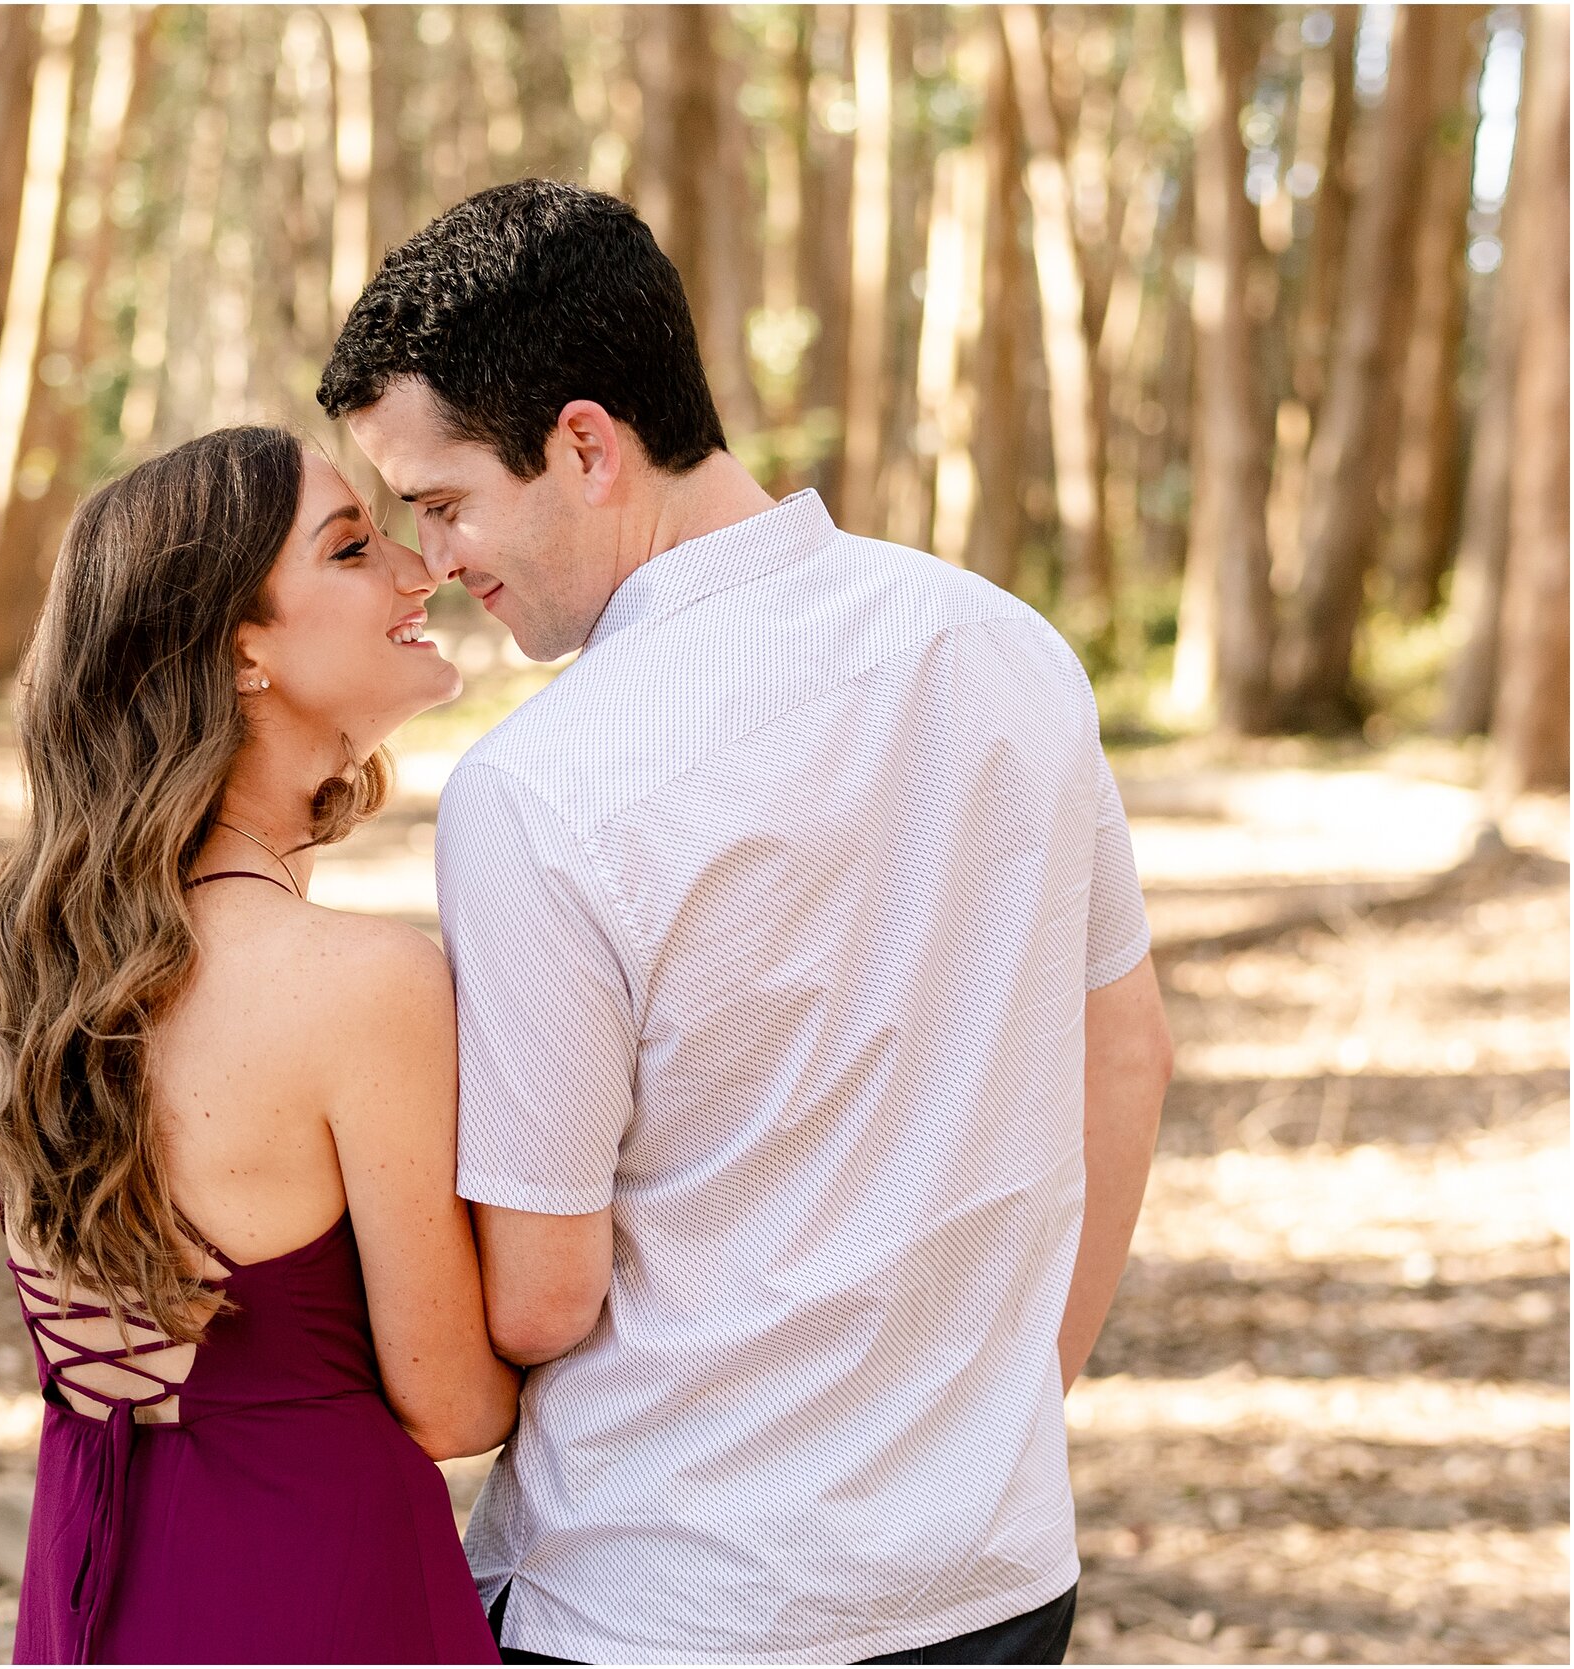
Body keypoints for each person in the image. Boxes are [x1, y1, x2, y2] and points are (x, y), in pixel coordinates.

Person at [319, 179, 1175, 1665]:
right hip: (992, 1575)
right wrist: (1009, 1413)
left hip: (671, 1598)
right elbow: (1129, 1054)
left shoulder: (539, 788)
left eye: (445, 502)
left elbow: (541, 1294)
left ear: (586, 445)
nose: (439, 561)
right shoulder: (1006, 645)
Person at [0, 426, 520, 1664]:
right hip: (316, 1589)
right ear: (237, 646)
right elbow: (457, 1405)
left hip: (100, 1576)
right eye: (354, 546)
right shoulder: (363, 986)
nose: (416, 571)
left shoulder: (47, 976)